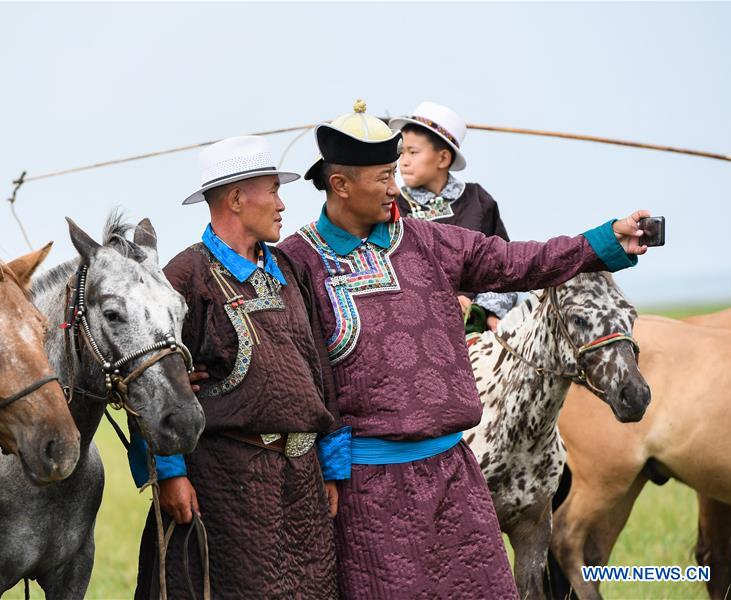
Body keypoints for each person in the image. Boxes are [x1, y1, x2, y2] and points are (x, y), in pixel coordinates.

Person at [278, 100, 652, 599]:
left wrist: (605, 240)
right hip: (367, 489)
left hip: (454, 475)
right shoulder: (297, 263)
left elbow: (523, 261)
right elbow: (290, 373)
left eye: (397, 171)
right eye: (383, 176)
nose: (396, 188)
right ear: (340, 184)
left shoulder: (429, 241)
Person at [130, 135, 349, 599]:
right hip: (226, 485)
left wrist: (331, 464)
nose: (282, 204)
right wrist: (169, 472)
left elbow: (319, 370)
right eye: (272, 190)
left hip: (302, 484)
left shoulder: (291, 269)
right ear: (235, 198)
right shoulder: (184, 278)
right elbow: (153, 387)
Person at [391, 101, 516, 332]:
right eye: (401, 152)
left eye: (413, 152)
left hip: (474, 329)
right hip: (412, 326)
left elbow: (503, 265)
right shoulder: (392, 206)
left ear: (443, 159)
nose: (404, 161)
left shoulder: (478, 201)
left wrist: (482, 311)